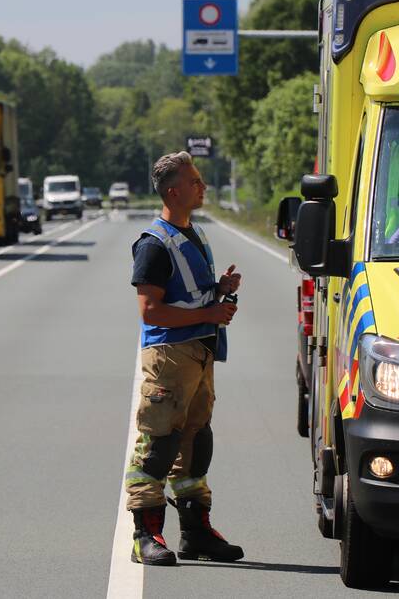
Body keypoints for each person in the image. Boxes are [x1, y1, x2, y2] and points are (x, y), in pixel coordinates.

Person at [126, 151, 244, 566]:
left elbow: (185, 294)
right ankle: (145, 536)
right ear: (174, 191)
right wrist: (210, 313)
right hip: (169, 356)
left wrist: (218, 289)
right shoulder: (153, 244)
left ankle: (195, 533)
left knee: (196, 442)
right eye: (195, 181)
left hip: (200, 352)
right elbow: (150, 311)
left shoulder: (192, 232)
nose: (203, 186)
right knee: (160, 444)